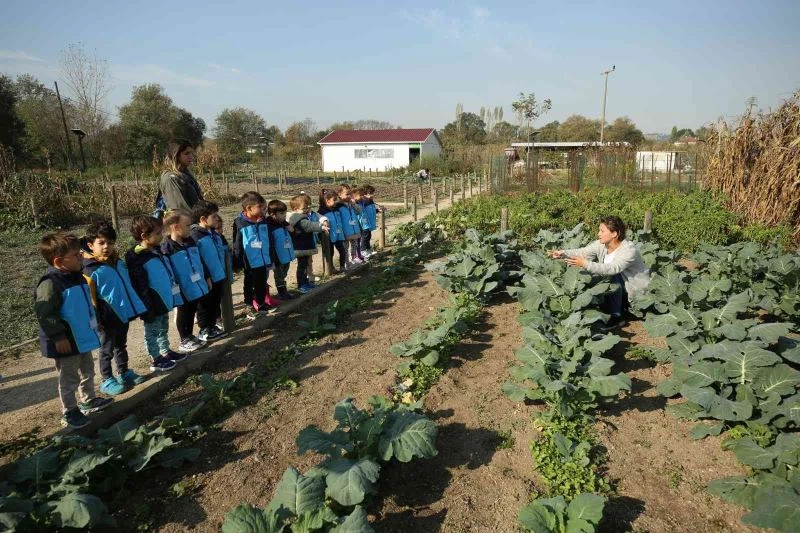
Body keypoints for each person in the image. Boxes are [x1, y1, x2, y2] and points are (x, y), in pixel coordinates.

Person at [34, 232, 112, 429]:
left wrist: (95, 321)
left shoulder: (77, 276)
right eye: (77, 255)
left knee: (87, 369)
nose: (82, 257)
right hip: (66, 341)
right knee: (69, 377)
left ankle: (88, 399)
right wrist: (58, 336)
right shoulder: (50, 284)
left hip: (82, 336)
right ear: (59, 261)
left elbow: (86, 304)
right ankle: (69, 411)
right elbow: (45, 313)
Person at [548, 215, 650, 329]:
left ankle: (616, 317)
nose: (598, 234)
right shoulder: (601, 245)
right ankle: (609, 308)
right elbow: (583, 252)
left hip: (636, 293)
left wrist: (585, 264)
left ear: (614, 234)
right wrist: (562, 253)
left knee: (612, 276)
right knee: (594, 275)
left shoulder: (629, 250)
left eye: (602, 231)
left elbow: (612, 268)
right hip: (619, 289)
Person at [82, 221, 148, 396]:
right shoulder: (90, 270)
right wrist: (97, 320)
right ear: (90, 245)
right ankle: (106, 379)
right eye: (101, 243)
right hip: (106, 318)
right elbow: (90, 299)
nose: (106, 247)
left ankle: (124, 372)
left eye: (110, 243)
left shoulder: (117, 262)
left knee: (121, 345)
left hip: (122, 313)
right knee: (107, 349)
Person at [126, 216, 185, 371]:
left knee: (163, 326)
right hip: (151, 301)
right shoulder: (137, 257)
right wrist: (146, 305)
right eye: (158, 233)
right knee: (152, 330)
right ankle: (155, 358)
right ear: (144, 236)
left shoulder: (156, 250)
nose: (161, 235)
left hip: (163, 298)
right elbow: (139, 284)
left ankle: (165, 351)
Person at [161, 209, 209, 352]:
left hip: (195, 284)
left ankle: (190, 335)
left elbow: (200, 259)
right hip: (181, 287)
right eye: (187, 225)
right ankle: (184, 338)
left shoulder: (190, 241)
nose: (191, 228)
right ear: (176, 227)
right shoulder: (167, 248)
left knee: (192, 308)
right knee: (184, 310)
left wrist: (206, 276)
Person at [190, 200, 228, 342]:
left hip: (218, 274)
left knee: (215, 302)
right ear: (203, 219)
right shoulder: (195, 236)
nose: (217, 218)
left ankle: (212, 326)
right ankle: (204, 329)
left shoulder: (212, 233)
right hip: (207, 277)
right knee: (205, 304)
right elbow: (197, 259)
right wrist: (206, 276)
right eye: (214, 216)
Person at [232, 191, 274, 319]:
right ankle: (248, 305)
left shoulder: (264, 222)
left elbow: (269, 239)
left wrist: (271, 256)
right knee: (249, 283)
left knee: (261, 282)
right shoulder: (240, 223)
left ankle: (261, 304)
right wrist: (237, 261)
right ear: (249, 208)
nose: (263, 210)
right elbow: (237, 243)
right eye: (260, 207)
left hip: (263, 259)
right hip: (249, 260)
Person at [288, 194, 330, 293]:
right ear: (295, 209)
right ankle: (301, 284)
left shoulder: (301, 216)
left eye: (308, 207)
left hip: (303, 246)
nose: (307, 209)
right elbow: (309, 226)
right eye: (304, 208)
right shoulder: (300, 219)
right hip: (301, 246)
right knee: (302, 266)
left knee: (305, 265)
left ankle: (305, 282)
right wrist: (322, 227)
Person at [156, 140, 203, 216]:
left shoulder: (185, 174)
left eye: (191, 153)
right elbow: (179, 209)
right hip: (183, 224)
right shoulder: (171, 178)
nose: (191, 156)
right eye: (186, 153)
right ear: (176, 155)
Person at [266, 199, 296, 299]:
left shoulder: (284, 223)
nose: (284, 215)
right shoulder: (269, 226)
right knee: (279, 274)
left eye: (285, 213)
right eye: (281, 213)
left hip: (286, 254)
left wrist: (291, 230)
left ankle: (284, 291)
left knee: (284, 273)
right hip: (278, 256)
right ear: (272, 214)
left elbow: (291, 236)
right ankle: (282, 293)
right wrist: (274, 258)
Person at [318, 189, 348, 272]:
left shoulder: (336, 208)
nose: (336, 202)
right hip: (328, 236)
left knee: (342, 251)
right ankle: (330, 268)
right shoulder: (321, 211)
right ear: (327, 201)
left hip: (338, 234)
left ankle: (342, 266)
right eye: (334, 200)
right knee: (330, 253)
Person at [337, 184, 364, 265]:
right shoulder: (338, 205)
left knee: (354, 244)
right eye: (346, 194)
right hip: (345, 230)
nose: (349, 196)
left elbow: (359, 211)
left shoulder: (351, 204)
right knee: (345, 247)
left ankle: (354, 257)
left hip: (354, 228)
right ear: (340, 194)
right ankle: (346, 262)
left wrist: (354, 203)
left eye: (350, 194)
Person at [357, 184, 379, 258]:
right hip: (364, 222)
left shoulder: (370, 201)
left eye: (372, 193)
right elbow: (362, 213)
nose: (372, 195)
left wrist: (378, 210)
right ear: (364, 193)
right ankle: (363, 251)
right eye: (370, 193)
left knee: (368, 236)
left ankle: (368, 249)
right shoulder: (362, 201)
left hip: (369, 222)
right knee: (365, 236)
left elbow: (371, 211)